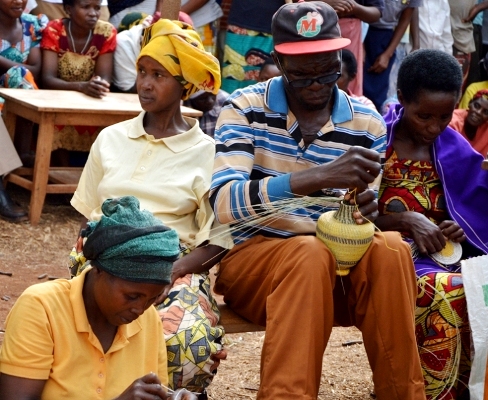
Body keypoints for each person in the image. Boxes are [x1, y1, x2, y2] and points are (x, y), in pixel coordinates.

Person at [209, 2, 426, 399]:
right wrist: (316, 177)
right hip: (258, 267)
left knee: (392, 250)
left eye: (326, 68)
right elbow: (224, 203)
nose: (315, 82)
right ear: (278, 59)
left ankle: (403, 393)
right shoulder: (244, 108)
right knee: (308, 254)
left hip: (339, 273)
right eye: (301, 71)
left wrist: (366, 210)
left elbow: (360, 212)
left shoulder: (366, 121)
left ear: (339, 57)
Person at [70, 18, 231, 396]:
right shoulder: (111, 138)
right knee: (75, 332)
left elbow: (218, 240)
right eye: (142, 71)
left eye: (159, 74)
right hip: (102, 259)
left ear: (184, 85)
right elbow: (86, 219)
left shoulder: (208, 154)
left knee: (187, 342)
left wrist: (168, 273)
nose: (145, 83)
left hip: (175, 264)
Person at [0, 195, 197, 400]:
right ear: (100, 271)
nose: (140, 309)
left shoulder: (149, 322)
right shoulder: (42, 308)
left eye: (151, 299)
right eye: (132, 296)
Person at [376, 49, 488, 399]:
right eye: (423, 115)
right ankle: (432, 393)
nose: (434, 127)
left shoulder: (453, 146)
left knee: (477, 284)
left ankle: (474, 389)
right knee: (449, 288)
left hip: (445, 254)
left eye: (443, 116)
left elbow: (471, 211)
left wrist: (458, 229)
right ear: (402, 100)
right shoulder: (378, 140)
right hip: (388, 254)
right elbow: (351, 212)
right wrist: (405, 220)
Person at [40, 0, 116, 160]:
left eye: (97, 7)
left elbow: (105, 77)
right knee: (55, 121)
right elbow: (47, 78)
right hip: (56, 99)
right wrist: (81, 86)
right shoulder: (55, 29)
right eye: (85, 7)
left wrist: (97, 85)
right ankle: (60, 173)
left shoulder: (106, 32)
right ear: (68, 9)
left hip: (89, 100)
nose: (93, 13)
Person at [362, 0, 421, 111]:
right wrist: (360, 43)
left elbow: (406, 19)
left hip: (385, 38)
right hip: (361, 28)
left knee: (376, 93)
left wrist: (387, 54)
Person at [450, 89, 488, 156]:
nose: (478, 112)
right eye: (476, 106)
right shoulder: (452, 121)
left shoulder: (486, 129)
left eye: (486, 112)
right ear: (470, 103)